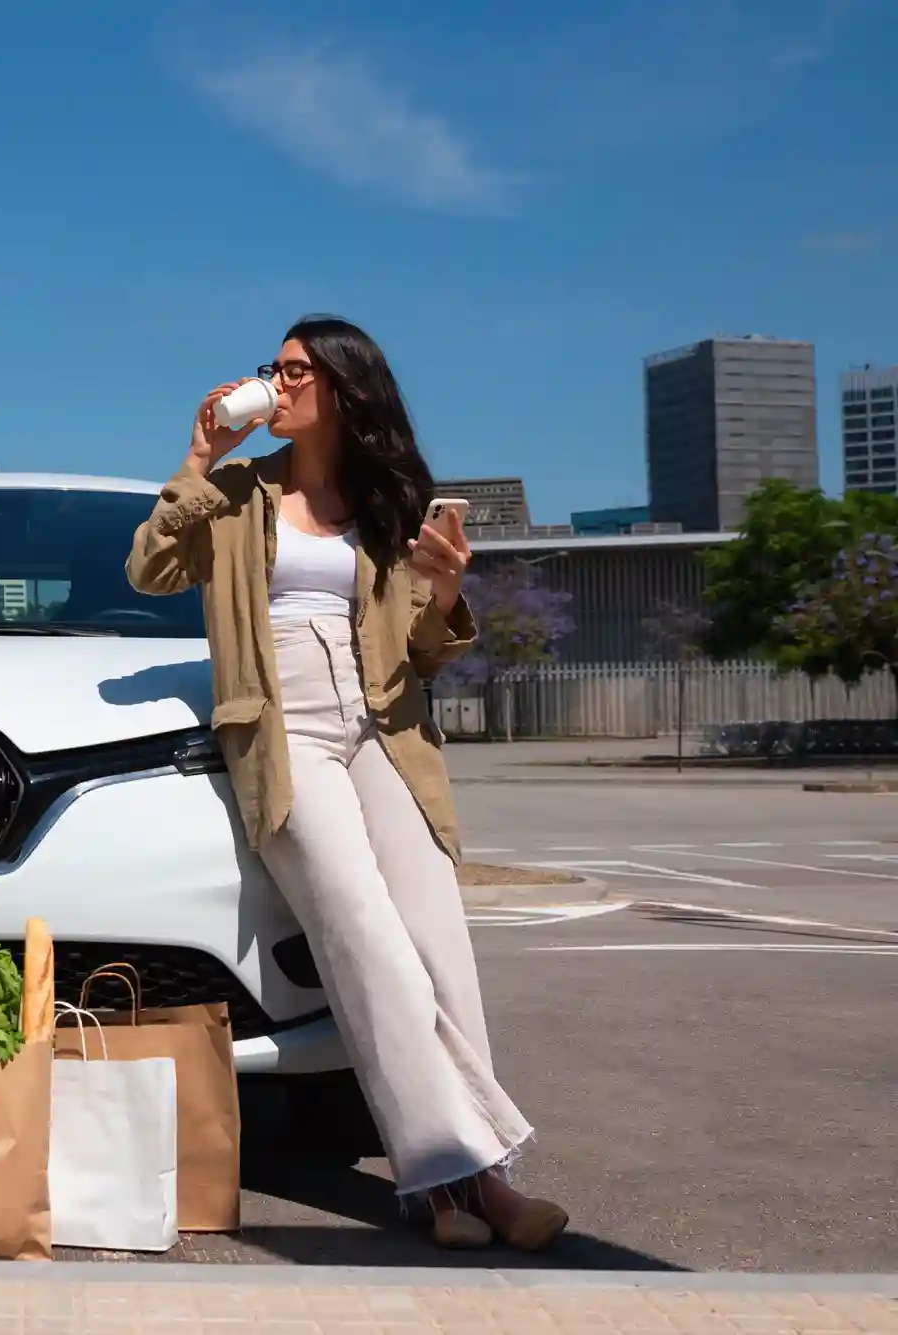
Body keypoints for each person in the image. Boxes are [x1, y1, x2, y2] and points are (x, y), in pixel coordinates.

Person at [124, 314, 570, 1252]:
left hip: (387, 724)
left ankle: (469, 1180)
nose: (275, 386)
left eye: (294, 373)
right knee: (368, 942)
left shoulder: (387, 505)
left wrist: (446, 594)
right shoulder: (240, 493)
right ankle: (460, 1181)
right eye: (271, 370)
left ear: (342, 390)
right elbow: (151, 567)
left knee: (440, 943)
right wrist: (199, 455)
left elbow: (422, 650)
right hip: (284, 731)